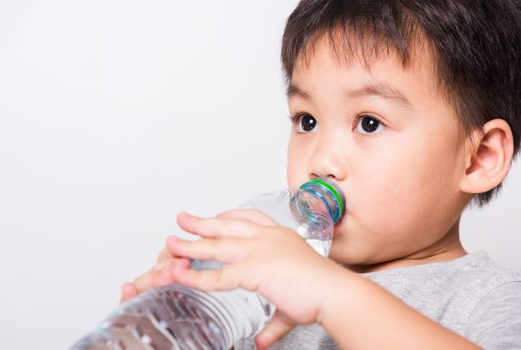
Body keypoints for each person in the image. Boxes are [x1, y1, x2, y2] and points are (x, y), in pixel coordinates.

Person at [120, 1, 521, 349]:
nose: (321, 160)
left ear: (478, 158)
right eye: (306, 120)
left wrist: (331, 294)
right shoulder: (268, 266)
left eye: (368, 123)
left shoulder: (489, 302)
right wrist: (174, 320)